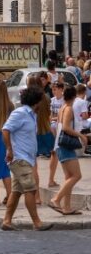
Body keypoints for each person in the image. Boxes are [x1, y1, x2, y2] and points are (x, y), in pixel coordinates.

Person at [1, 86, 53, 231]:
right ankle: (37, 222)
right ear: (36, 101)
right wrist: (9, 150)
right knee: (31, 189)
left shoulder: (32, 115)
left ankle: (6, 221)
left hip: (27, 159)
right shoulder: (20, 113)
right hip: (19, 158)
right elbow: (5, 130)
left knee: (16, 192)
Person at [48, 85, 86, 215]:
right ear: (74, 97)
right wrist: (81, 135)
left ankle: (67, 207)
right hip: (65, 146)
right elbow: (65, 127)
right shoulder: (68, 108)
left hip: (60, 144)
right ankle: (56, 199)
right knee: (76, 175)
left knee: (69, 177)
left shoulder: (62, 108)